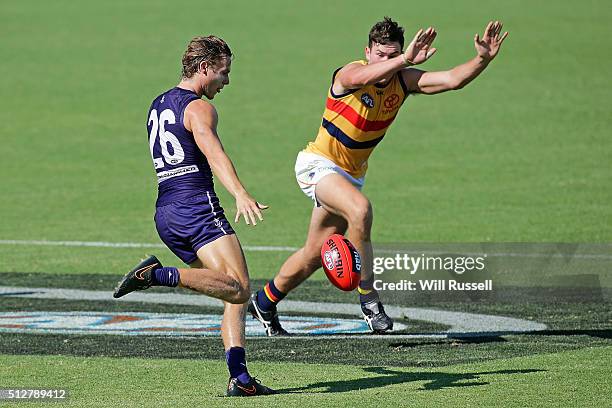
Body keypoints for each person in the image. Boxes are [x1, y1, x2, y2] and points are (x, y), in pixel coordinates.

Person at [249, 18, 508, 335]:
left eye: (394, 54)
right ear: (367, 52)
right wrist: (405, 58)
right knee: (361, 210)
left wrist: (482, 59)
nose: (387, 61)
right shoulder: (349, 75)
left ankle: (264, 301)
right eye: (381, 55)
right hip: (318, 164)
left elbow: (453, 79)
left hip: (349, 175)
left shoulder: (403, 81)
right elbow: (362, 75)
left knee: (314, 254)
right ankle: (369, 299)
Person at [113, 35, 275, 396]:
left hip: (166, 211)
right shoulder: (199, 108)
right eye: (223, 72)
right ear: (204, 69)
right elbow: (213, 152)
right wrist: (240, 193)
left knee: (230, 290)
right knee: (239, 287)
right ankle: (157, 275)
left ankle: (241, 379)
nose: (226, 81)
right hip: (196, 207)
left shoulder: (158, 103)